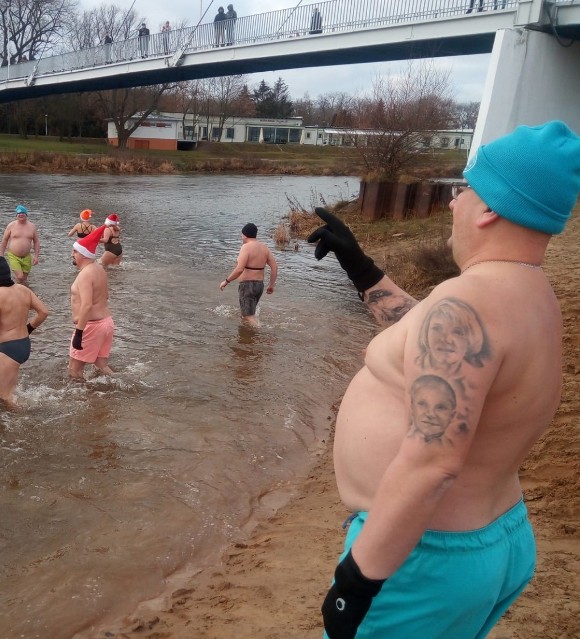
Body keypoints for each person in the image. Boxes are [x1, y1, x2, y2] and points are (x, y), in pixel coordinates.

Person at [309, 121, 580, 639]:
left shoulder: (468, 302)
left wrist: (357, 580)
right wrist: (361, 267)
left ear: (492, 208)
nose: (454, 203)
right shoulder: (527, 292)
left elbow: (433, 465)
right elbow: (437, 342)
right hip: (494, 536)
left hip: (424, 559)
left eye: (465, 189)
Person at [0, 256, 49, 406]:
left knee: (5, 397)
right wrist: (29, 328)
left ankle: (24, 422)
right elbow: (44, 312)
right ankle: (15, 392)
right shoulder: (23, 289)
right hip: (24, 344)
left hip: (9, 348)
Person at [69, 225, 115, 379]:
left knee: (74, 370)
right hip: (106, 323)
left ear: (83, 254)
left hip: (92, 326)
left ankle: (81, 401)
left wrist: (79, 333)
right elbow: (106, 296)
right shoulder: (99, 269)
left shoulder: (85, 275)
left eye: (75, 251)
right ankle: (121, 385)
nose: (72, 254)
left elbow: (87, 305)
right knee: (100, 364)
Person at [218, 223, 277, 326]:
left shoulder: (245, 247)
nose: (241, 237)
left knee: (248, 317)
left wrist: (226, 281)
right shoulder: (265, 248)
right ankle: (250, 338)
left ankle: (261, 332)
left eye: (242, 235)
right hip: (259, 286)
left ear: (244, 235)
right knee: (248, 314)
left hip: (247, 286)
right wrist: (271, 285)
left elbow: (239, 269)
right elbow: (275, 267)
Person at [0, 204, 39, 285]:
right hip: (13, 255)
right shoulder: (11, 225)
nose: (21, 215)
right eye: (19, 214)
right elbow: (4, 240)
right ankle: (16, 291)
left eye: (23, 213)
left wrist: (36, 256)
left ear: (26, 215)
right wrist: (2, 255)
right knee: (20, 277)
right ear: (16, 215)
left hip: (27, 257)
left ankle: (21, 293)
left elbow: (36, 241)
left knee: (24, 280)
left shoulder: (32, 226)